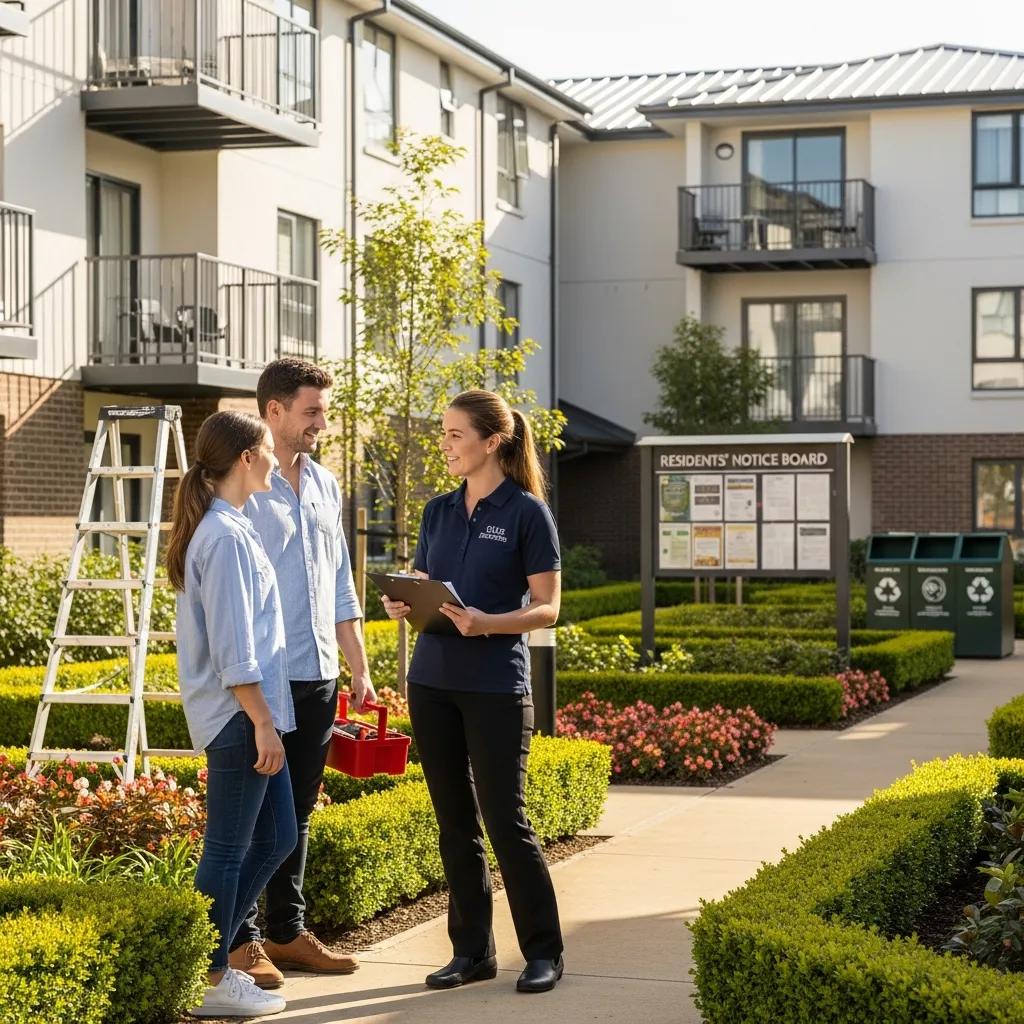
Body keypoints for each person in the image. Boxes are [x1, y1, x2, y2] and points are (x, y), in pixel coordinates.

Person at [381, 389, 565, 995]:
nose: (446, 444)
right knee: (453, 822)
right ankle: (472, 953)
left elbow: (548, 609)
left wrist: (488, 622)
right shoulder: (437, 511)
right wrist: (403, 598)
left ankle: (543, 951)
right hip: (431, 681)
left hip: (494, 687)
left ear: (492, 441)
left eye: (456, 434)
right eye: (444, 433)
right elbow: (426, 583)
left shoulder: (526, 513)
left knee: (506, 820)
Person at [229, 358, 377, 988]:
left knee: (300, 809)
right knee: (253, 813)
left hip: (317, 672)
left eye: (324, 410)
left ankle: (287, 932)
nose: (322, 421)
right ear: (274, 411)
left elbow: (340, 586)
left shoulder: (324, 483)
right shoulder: (245, 482)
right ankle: (240, 941)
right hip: (262, 678)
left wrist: (360, 672)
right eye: (312, 410)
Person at [166, 411, 297, 1019]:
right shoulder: (221, 537)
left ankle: (205, 956)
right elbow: (233, 646)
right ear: (247, 456)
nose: (277, 459)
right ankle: (210, 974)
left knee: (277, 836)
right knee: (226, 848)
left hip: (250, 713)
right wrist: (263, 722)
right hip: (239, 716)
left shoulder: (232, 528)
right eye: (269, 448)